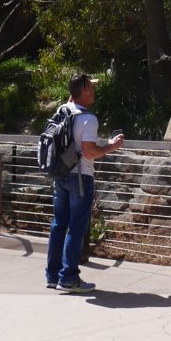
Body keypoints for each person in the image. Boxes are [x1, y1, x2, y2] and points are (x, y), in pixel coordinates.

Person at [45, 73, 124, 294]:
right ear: (85, 91)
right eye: (92, 86)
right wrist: (112, 146)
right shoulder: (89, 119)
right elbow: (89, 152)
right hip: (80, 178)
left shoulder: (62, 110)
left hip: (60, 174)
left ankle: (53, 275)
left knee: (59, 225)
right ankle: (69, 278)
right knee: (76, 227)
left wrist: (76, 90)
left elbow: (72, 99)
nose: (95, 90)